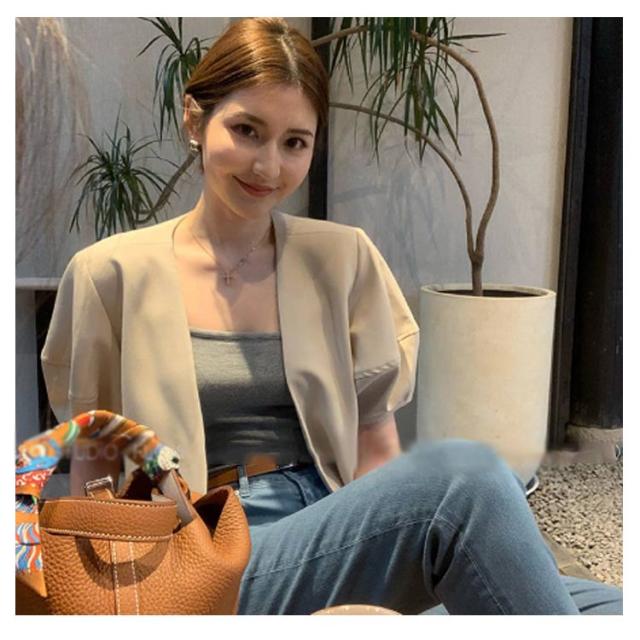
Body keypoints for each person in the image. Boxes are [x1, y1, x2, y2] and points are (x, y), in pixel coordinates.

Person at [41, 17, 622, 615]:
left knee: (610, 610)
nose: (268, 166)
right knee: (465, 479)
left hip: (332, 528)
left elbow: (374, 448)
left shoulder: (342, 258)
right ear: (194, 119)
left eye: (294, 142)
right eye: (246, 130)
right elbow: (94, 467)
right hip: (197, 558)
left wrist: (391, 582)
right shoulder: (109, 272)